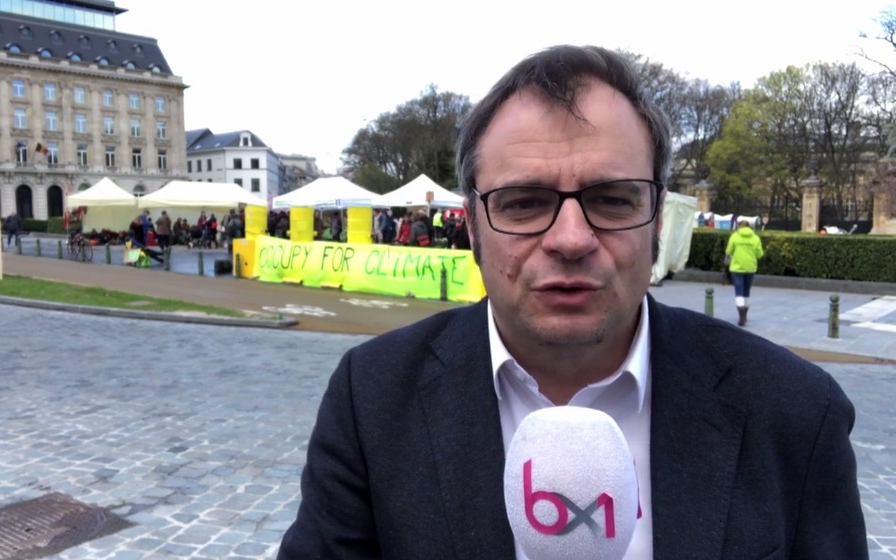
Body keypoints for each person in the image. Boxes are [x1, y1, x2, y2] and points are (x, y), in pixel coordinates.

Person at [277, 45, 866, 559]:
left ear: (656, 221)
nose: (570, 239)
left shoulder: (793, 412)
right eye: (524, 202)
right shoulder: (373, 397)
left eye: (611, 199)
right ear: (473, 228)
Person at [726, 219, 764, 326]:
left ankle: (741, 316)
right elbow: (760, 254)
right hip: (750, 268)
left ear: (739, 227)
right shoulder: (755, 238)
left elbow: (728, 251)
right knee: (746, 292)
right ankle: (745, 315)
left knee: (739, 292)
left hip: (737, 268)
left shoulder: (735, 236)